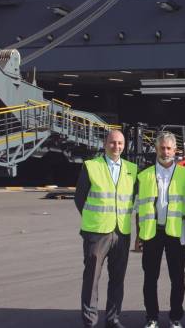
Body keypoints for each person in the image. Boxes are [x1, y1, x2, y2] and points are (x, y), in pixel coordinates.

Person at [74, 129, 137, 328]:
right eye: (112, 143)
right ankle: (90, 320)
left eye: (120, 143)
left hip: (122, 232)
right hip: (97, 232)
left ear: (124, 145)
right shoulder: (91, 166)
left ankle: (113, 318)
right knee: (92, 278)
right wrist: (95, 219)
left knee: (117, 278)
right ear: (105, 144)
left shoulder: (132, 169)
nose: (116, 147)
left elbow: (133, 199)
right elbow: (80, 198)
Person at [134, 132, 185, 328]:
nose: (165, 151)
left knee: (178, 278)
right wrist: (138, 235)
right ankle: (151, 317)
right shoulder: (144, 175)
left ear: (175, 150)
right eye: (162, 147)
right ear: (156, 149)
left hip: (176, 233)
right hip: (152, 233)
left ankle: (175, 317)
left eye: (169, 148)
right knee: (150, 278)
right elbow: (138, 208)